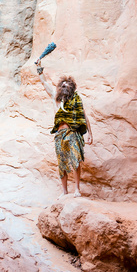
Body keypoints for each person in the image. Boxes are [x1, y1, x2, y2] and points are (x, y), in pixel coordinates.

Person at [36, 59, 93, 198]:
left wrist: (90, 133)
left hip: (73, 133)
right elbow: (44, 82)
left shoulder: (75, 100)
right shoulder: (55, 98)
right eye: (63, 85)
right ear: (60, 87)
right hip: (60, 135)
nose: (65, 87)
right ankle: (64, 191)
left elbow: (84, 116)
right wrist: (39, 68)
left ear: (72, 88)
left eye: (68, 85)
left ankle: (77, 190)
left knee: (76, 159)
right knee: (62, 162)